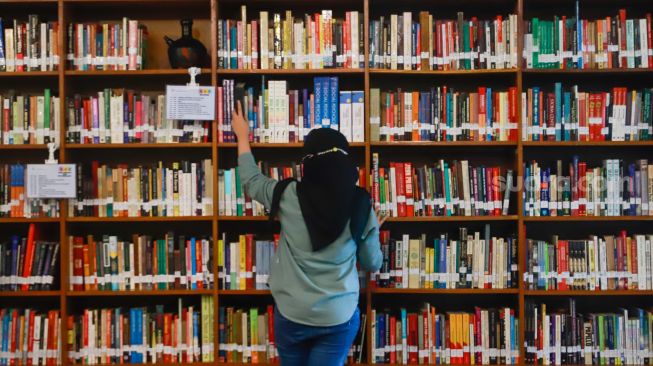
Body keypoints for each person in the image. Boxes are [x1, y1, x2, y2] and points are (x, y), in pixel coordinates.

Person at [231, 101, 385, 366]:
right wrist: (369, 230)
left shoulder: (288, 195)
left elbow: (251, 181)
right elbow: (372, 263)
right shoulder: (361, 205)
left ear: (308, 164)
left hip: (292, 314)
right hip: (338, 316)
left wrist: (243, 137)